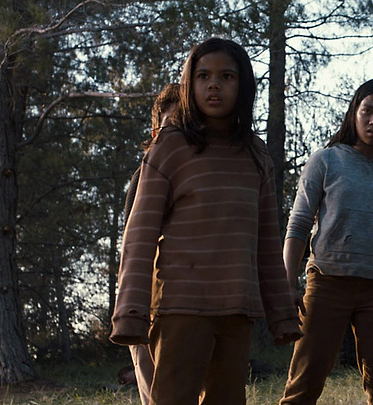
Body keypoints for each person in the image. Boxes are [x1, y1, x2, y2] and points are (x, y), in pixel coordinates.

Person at [110, 37, 302, 405]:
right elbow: (140, 235)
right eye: (203, 76)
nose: (214, 85)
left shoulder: (256, 154)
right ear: (189, 84)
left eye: (226, 76)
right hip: (180, 307)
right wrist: (131, 311)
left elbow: (266, 240)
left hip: (236, 309)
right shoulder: (169, 147)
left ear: (243, 85)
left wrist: (281, 313)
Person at [279, 78, 373, 405]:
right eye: (367, 111)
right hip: (326, 281)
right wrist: (286, 282)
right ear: (354, 114)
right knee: (303, 384)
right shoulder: (326, 160)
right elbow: (298, 224)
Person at [121, 82, 179, 405]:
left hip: (188, 303)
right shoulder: (143, 176)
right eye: (170, 125)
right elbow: (133, 246)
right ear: (156, 130)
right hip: (147, 298)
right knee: (153, 393)